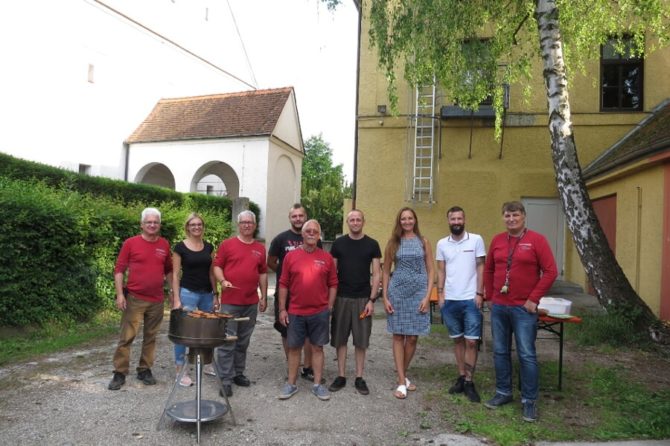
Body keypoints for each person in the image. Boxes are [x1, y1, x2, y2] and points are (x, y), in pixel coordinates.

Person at [483, 201, 558, 422]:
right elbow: (489, 269)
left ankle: (529, 401)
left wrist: (534, 299)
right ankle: (503, 392)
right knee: (500, 351)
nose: (511, 219)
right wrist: (489, 296)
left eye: (515, 215)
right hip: (499, 306)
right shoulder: (497, 240)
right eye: (507, 215)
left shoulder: (537, 240)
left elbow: (551, 271)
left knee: (526, 354)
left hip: (523, 308)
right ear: (503, 218)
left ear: (523, 216)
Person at [108, 207, 173, 390]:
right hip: (134, 299)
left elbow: (168, 269)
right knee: (127, 337)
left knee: (151, 337)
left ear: (159, 225)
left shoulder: (164, 245)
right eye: (148, 222)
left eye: (155, 222)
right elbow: (119, 270)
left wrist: (172, 290)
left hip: (157, 299)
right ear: (142, 224)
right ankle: (120, 372)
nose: (152, 225)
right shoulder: (130, 243)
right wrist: (120, 294)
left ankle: (144, 369)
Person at [277, 219, 338, 401]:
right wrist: (282, 309)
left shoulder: (326, 258)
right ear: (302, 234)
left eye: (315, 231)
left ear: (319, 235)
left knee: (317, 348)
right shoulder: (291, 257)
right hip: (295, 311)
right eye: (308, 231)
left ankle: (317, 385)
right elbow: (283, 284)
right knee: (294, 348)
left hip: (319, 312)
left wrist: (330, 306)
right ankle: (291, 384)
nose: (311, 233)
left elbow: (333, 284)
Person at [213, 210, 268, 397]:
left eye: (250, 222)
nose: (246, 225)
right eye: (243, 222)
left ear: (254, 225)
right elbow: (217, 266)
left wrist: (264, 296)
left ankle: (238, 373)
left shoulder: (260, 248)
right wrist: (222, 281)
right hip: (230, 303)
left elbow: (262, 273)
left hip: (250, 303)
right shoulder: (227, 245)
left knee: (243, 341)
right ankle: (225, 380)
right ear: (239, 224)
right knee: (227, 342)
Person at [382, 207, 434, 400]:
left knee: (412, 337)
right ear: (399, 221)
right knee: (398, 336)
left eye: (410, 218)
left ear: (415, 220)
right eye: (403, 219)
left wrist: (427, 296)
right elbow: (386, 271)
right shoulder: (393, 243)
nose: (407, 221)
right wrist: (385, 297)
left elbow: (431, 270)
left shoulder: (424, 242)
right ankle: (402, 380)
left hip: (418, 294)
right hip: (397, 293)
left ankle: (402, 374)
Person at [435, 206, 486, 403]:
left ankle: (470, 381)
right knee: (457, 340)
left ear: (464, 220)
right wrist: (440, 294)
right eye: (453, 219)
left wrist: (480, 292)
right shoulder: (442, 244)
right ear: (448, 221)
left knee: (472, 341)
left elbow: (481, 267)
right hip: (450, 300)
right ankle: (462, 377)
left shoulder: (476, 240)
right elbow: (441, 270)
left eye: (459, 218)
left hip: (471, 298)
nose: (456, 222)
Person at [328, 209, 382, 395]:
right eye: (352, 220)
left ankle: (359, 377)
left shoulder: (372, 245)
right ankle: (341, 375)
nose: (355, 222)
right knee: (340, 338)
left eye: (358, 219)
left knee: (361, 340)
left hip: (362, 299)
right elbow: (331, 275)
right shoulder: (338, 244)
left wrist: (372, 300)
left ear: (363, 222)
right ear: (347, 222)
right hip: (342, 297)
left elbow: (376, 275)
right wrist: (331, 300)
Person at [267, 203, 322, 382]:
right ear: (290, 218)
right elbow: (271, 262)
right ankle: (291, 363)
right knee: (286, 330)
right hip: (286, 292)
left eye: (301, 216)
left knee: (307, 331)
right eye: (294, 216)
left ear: (305, 217)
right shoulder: (280, 239)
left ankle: (307, 367)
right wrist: (286, 275)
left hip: (307, 292)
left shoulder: (315, 237)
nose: (298, 219)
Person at [170, 213, 218, 387]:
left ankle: (206, 363)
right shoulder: (180, 247)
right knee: (185, 333)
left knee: (208, 330)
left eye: (199, 224)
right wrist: (177, 298)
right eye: (193, 225)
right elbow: (175, 274)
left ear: (203, 227)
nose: (196, 227)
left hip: (206, 294)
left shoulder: (209, 247)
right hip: (188, 292)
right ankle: (180, 370)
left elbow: (212, 273)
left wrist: (215, 295)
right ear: (187, 227)